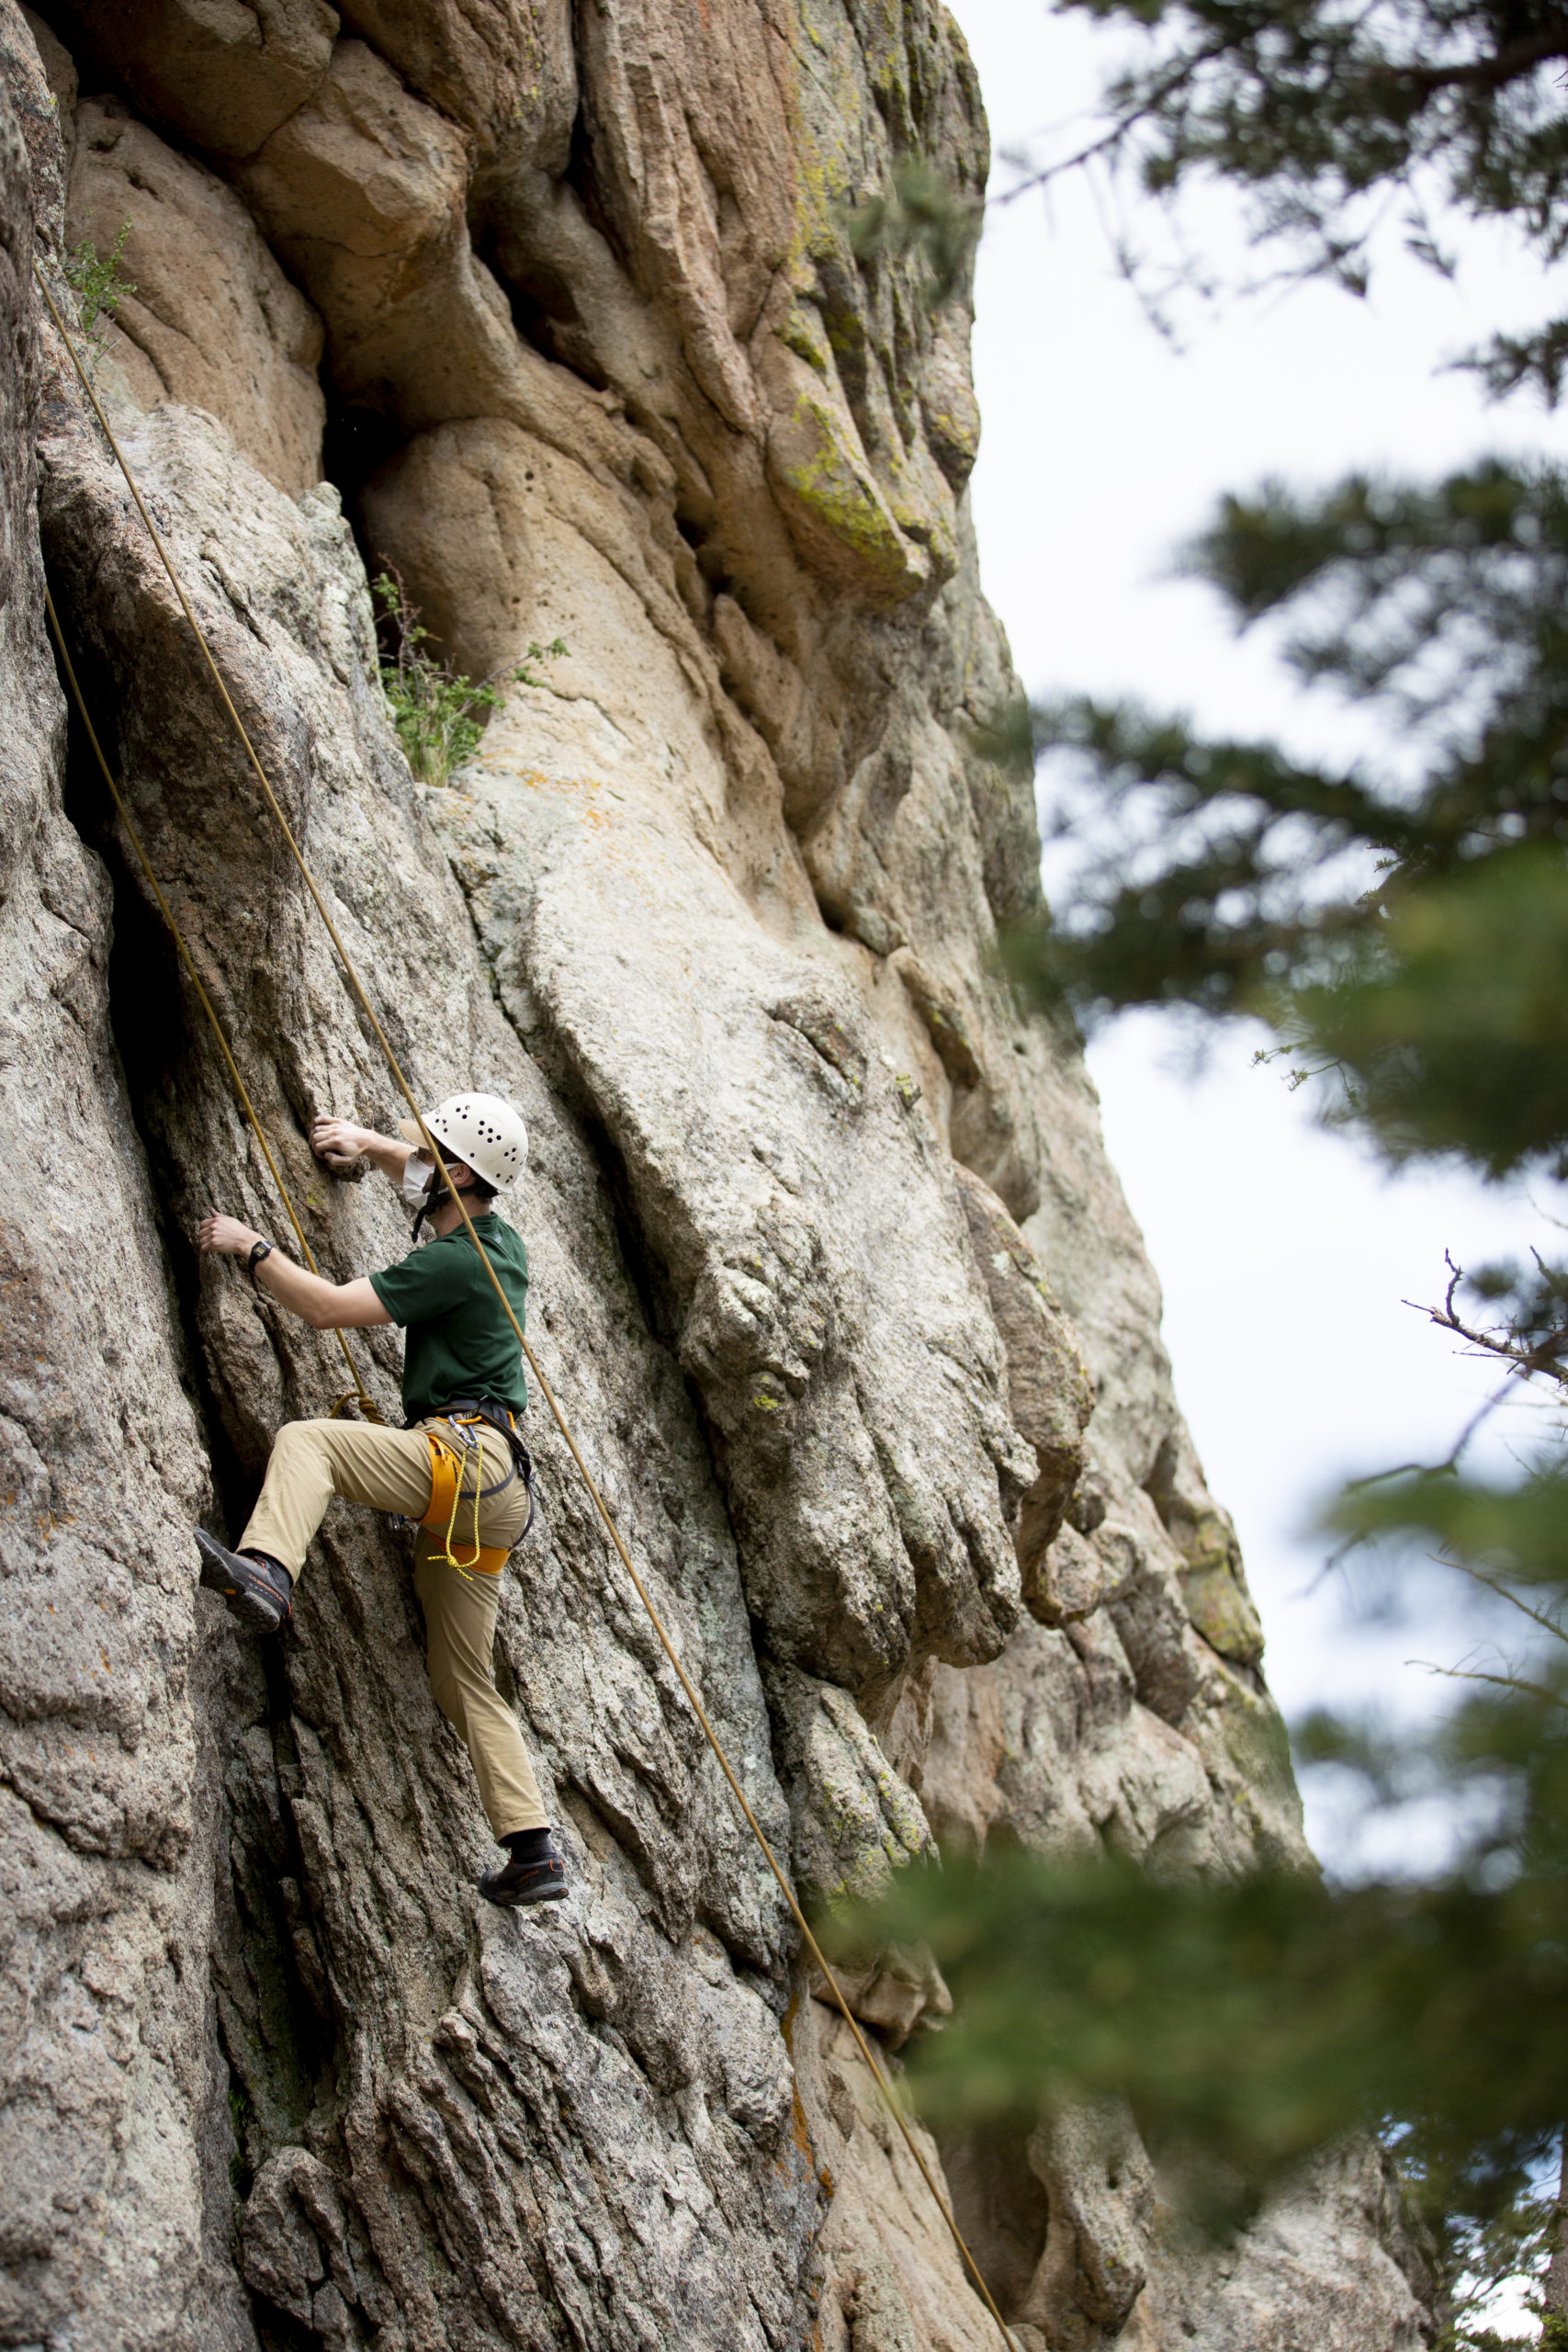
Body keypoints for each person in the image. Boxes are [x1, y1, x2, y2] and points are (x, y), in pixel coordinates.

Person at [193, 1092, 565, 1911]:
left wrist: (248, 1247)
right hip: (496, 1495)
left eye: (431, 1154)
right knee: (461, 1674)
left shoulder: (453, 1260)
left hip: (459, 1462)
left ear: (459, 1172)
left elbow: (325, 1308)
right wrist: (366, 1144)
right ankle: (533, 1849)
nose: (417, 1160)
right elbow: (427, 1174)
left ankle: (265, 1572)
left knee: (309, 1441)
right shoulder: (497, 1242)